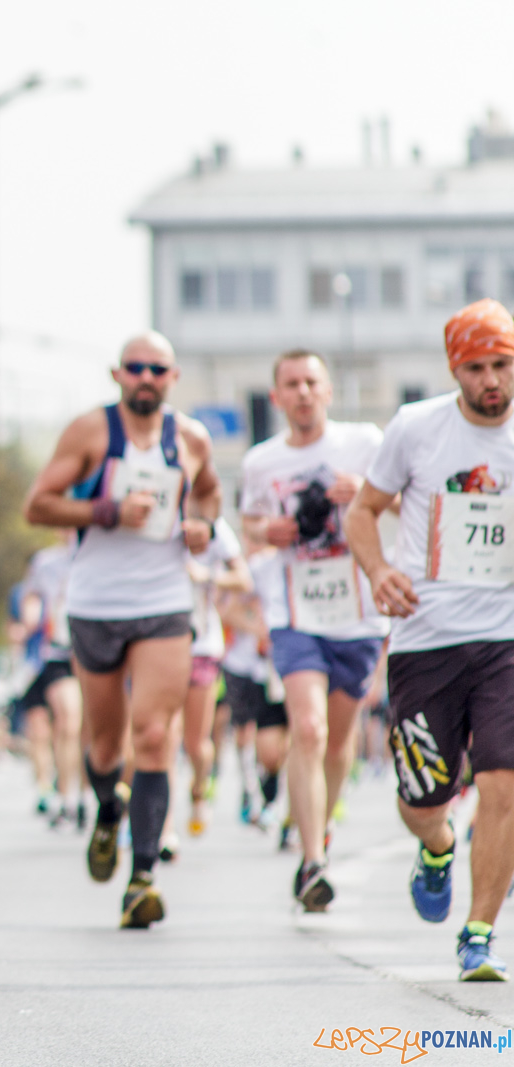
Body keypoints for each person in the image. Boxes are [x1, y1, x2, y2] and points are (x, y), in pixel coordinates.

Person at [23, 331, 220, 928]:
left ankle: (142, 879)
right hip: (96, 604)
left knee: (155, 736)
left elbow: (209, 498)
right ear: (117, 375)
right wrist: (105, 512)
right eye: (135, 368)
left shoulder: (190, 439)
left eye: (156, 369)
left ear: (172, 377)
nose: (145, 378)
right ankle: (109, 805)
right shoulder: (90, 432)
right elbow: (38, 505)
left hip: (163, 601)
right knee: (105, 746)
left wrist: (201, 527)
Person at [347, 298, 514, 982]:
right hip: (425, 637)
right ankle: (437, 845)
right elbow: (363, 511)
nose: (492, 380)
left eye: (502, 364)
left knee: (504, 782)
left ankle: (478, 934)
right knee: (424, 798)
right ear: (455, 369)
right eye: (476, 367)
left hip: (505, 636)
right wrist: (380, 569)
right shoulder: (417, 428)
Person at [239, 349, 387, 911]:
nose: (302, 392)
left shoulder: (364, 444)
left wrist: (366, 493)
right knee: (308, 728)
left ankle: (318, 832)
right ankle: (313, 860)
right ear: (277, 397)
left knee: (338, 742)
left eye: (311, 382)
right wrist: (267, 529)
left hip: (357, 610)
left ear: (328, 391)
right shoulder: (261, 462)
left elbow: (401, 499)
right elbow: (250, 525)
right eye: (291, 384)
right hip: (294, 612)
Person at [178, 519, 250, 837]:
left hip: (201, 646)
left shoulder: (215, 526)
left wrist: (207, 576)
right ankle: (162, 826)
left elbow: (243, 578)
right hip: (157, 643)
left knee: (196, 742)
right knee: (160, 735)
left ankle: (198, 791)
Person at [218, 535, 291, 829]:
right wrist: (260, 630)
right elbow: (230, 609)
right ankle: (257, 789)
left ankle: (290, 815)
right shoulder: (259, 567)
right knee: (263, 744)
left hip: (301, 662)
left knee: (303, 737)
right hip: (256, 667)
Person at [16, 530, 84, 830]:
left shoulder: (99, 555)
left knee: (89, 730)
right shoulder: (46, 562)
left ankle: (86, 791)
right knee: (67, 721)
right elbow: (31, 596)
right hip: (58, 652)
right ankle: (64, 797)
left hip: (95, 650)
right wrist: (30, 616)